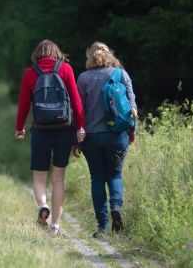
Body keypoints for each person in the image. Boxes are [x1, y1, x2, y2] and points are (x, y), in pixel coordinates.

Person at [15, 39, 86, 234]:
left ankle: (42, 206)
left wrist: (20, 127)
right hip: (64, 129)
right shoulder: (65, 69)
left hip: (40, 130)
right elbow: (76, 102)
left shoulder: (31, 72)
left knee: (39, 175)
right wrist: (80, 126)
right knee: (58, 178)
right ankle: (54, 225)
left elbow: (23, 104)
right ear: (56, 53)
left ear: (37, 54)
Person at [73, 42, 138, 236]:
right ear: (110, 56)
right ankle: (116, 208)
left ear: (90, 57)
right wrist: (132, 131)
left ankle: (102, 226)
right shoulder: (122, 75)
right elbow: (132, 107)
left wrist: (75, 140)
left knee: (97, 179)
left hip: (91, 137)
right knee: (115, 175)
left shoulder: (83, 78)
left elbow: (78, 111)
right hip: (117, 135)